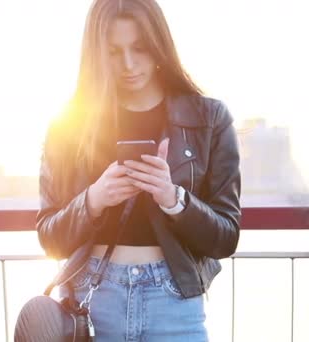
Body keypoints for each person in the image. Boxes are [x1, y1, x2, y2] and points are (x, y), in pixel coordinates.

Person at [36, 0, 241, 341]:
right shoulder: (67, 125)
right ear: (97, 52)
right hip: (91, 302)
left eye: (140, 48)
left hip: (174, 301)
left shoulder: (209, 119)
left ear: (159, 44)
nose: (129, 64)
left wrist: (174, 199)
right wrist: (93, 200)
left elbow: (225, 237)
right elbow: (49, 238)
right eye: (114, 52)